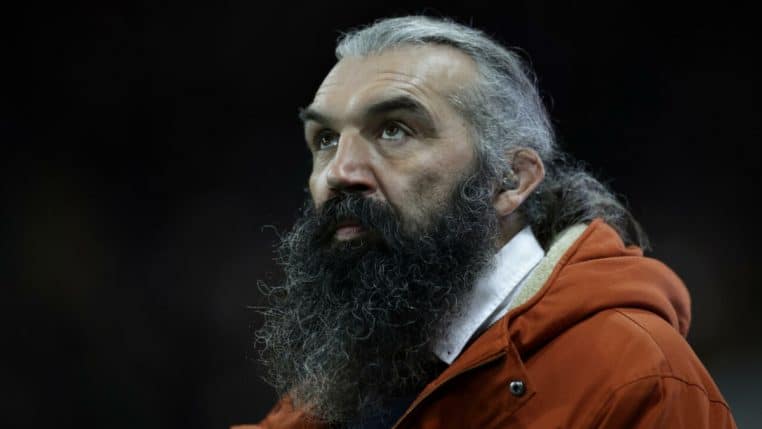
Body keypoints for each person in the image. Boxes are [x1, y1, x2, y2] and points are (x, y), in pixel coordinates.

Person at [235, 16, 736, 429]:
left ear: (510, 179)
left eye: (394, 130)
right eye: (325, 139)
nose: (340, 172)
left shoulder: (635, 378)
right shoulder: (342, 385)